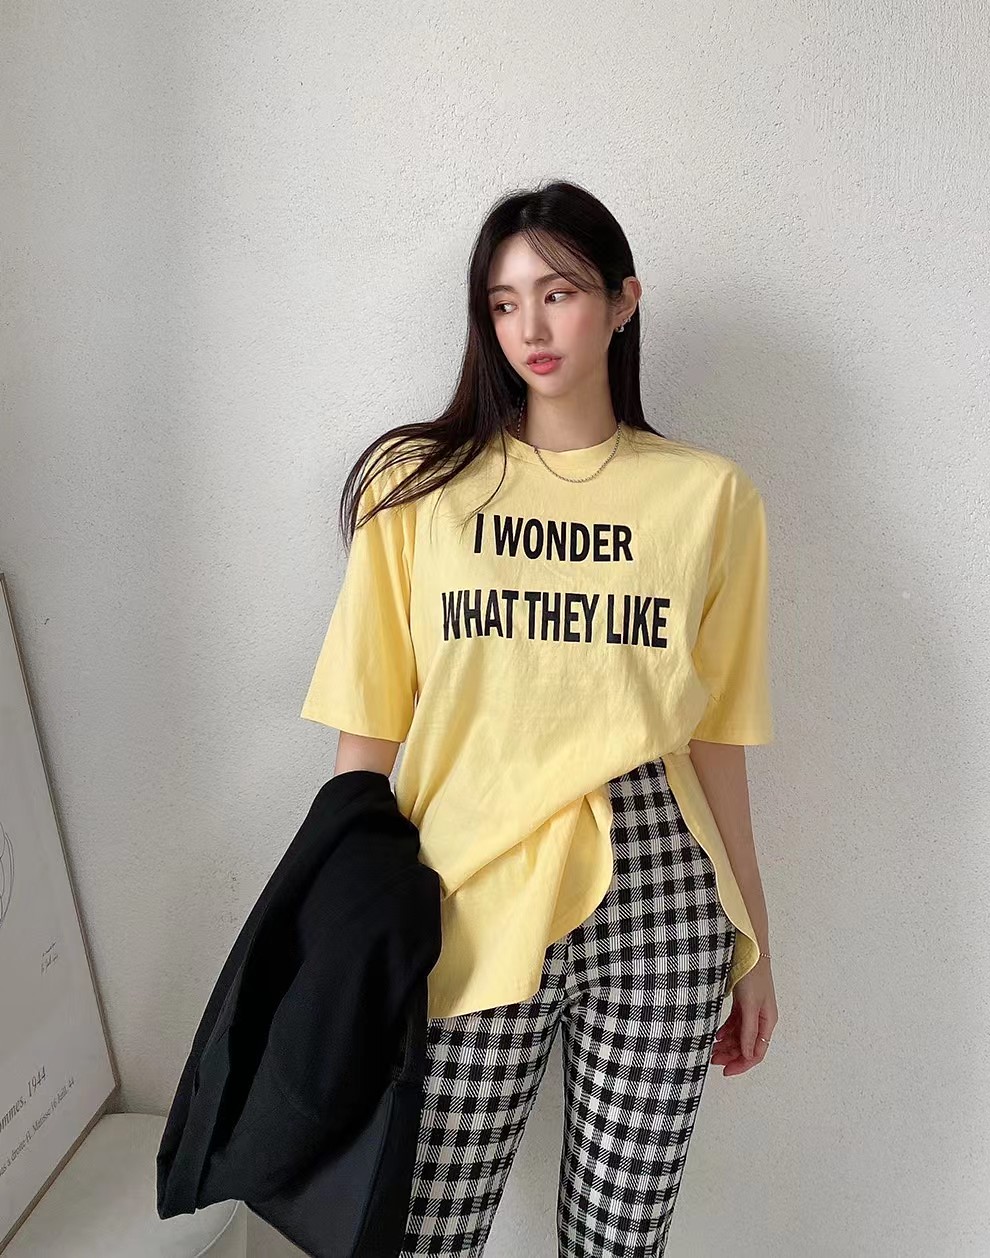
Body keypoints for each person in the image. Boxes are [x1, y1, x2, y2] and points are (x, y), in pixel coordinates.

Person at [300, 179, 778, 1257]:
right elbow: (366, 736)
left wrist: (754, 939)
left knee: (620, 1241)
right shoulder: (417, 490)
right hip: (468, 888)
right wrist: (339, 925)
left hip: (662, 891)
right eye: (505, 302)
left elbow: (717, 742)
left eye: (558, 294)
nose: (531, 327)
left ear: (622, 302)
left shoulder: (711, 499)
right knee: (420, 1230)